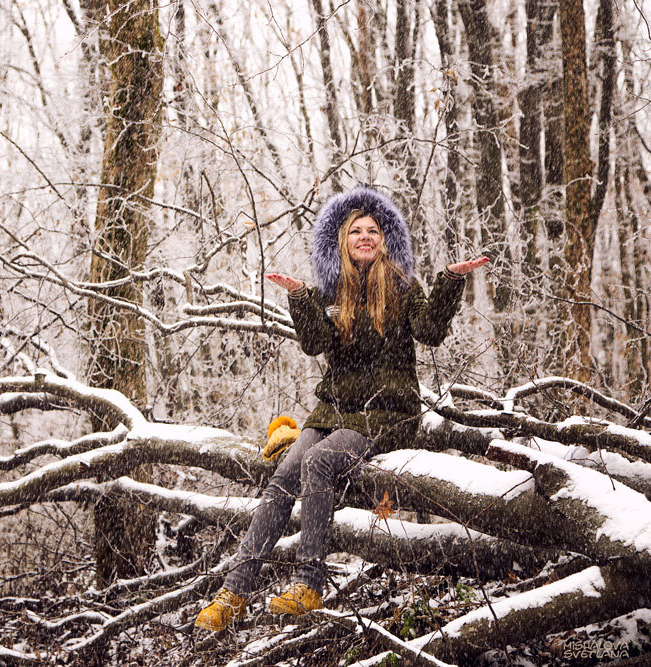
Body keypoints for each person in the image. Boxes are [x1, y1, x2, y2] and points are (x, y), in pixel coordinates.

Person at [195, 186, 488, 632]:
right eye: (356, 231)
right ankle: (235, 590)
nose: (365, 236)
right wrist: (298, 299)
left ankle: (309, 583)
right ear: (343, 241)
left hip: (386, 412)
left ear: (385, 239)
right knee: (283, 477)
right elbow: (315, 343)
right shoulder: (330, 291)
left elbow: (429, 331)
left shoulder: (403, 288)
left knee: (318, 461)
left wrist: (450, 280)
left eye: (373, 230)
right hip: (333, 410)